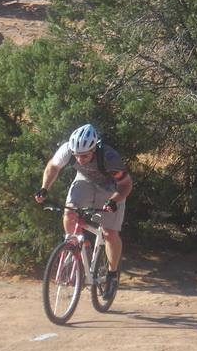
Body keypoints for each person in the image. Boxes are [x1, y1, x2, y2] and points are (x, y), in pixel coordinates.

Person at [34, 124, 133, 299]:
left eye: (85, 156)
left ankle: (112, 275)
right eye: (76, 156)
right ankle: (74, 250)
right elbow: (53, 167)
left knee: (110, 233)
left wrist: (113, 201)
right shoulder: (68, 149)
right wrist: (44, 188)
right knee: (69, 213)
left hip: (112, 188)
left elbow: (126, 184)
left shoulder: (109, 157)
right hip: (85, 180)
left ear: (94, 149)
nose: (79, 159)